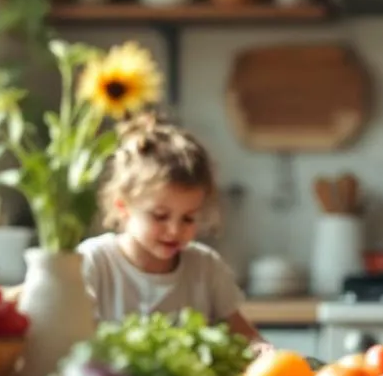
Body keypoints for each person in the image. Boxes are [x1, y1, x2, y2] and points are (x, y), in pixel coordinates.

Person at [78, 113, 269, 353]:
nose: (175, 230)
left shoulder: (205, 267)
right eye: (159, 216)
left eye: (188, 218)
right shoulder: (94, 262)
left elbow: (246, 337)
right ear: (123, 206)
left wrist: (262, 350)